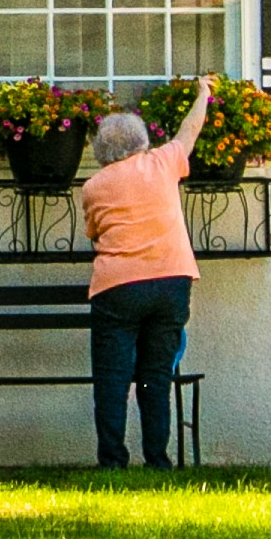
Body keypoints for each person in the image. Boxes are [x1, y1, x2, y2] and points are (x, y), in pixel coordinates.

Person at [75, 75, 209, 469]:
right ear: (141, 142)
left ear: (101, 151)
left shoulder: (94, 186)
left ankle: (112, 459)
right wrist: (204, 94)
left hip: (117, 288)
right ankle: (158, 459)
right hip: (171, 281)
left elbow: (94, 233)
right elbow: (189, 131)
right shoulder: (163, 162)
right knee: (155, 376)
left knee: (113, 377)